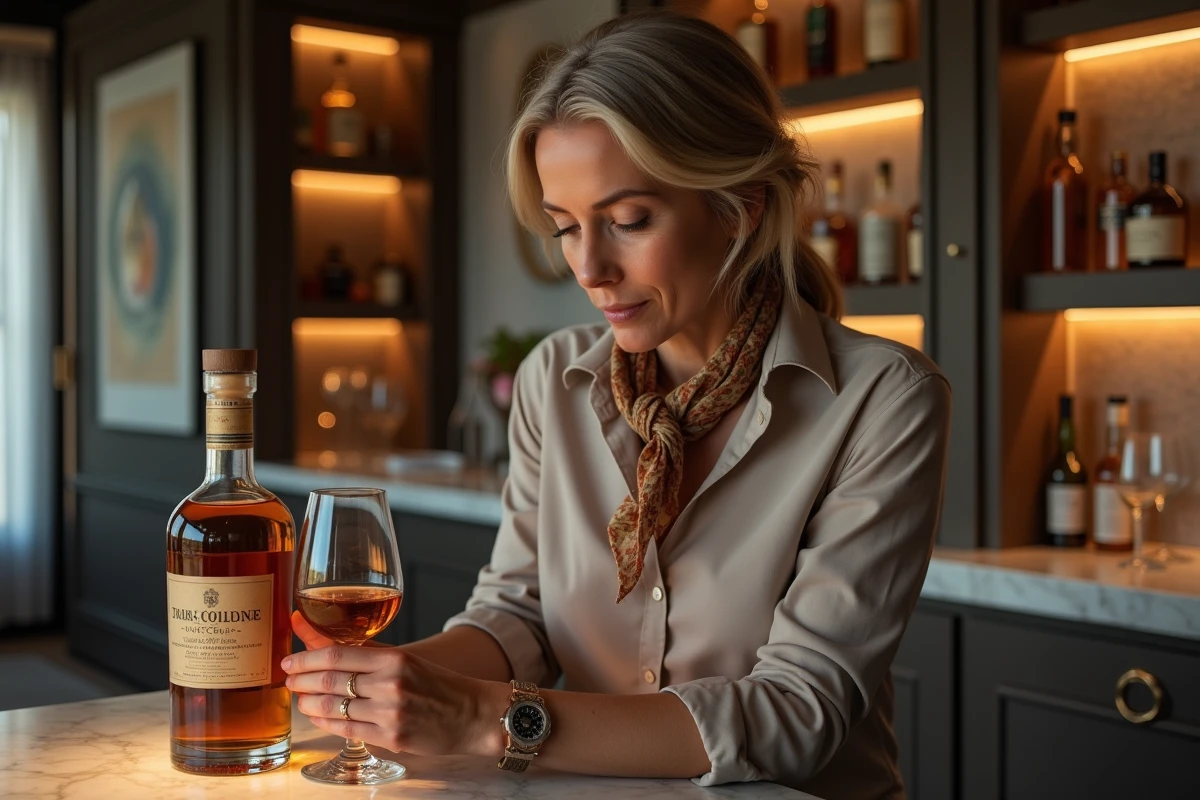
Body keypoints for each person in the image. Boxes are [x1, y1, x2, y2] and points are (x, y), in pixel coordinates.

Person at [282, 11, 951, 799]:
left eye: (628, 221)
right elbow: (517, 620)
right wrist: (377, 689)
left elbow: (797, 714)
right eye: (565, 229)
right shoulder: (552, 379)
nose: (590, 268)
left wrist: (480, 719)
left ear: (742, 206)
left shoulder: (884, 400)